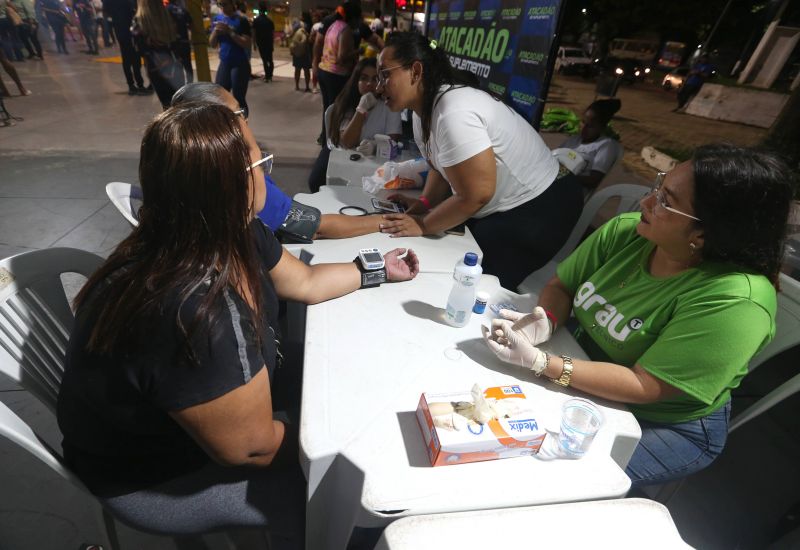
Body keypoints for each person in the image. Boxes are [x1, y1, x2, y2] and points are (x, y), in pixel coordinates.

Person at [56, 103, 420, 546]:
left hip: (195, 423)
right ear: (228, 184)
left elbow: (304, 281)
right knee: (340, 498)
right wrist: (346, 449)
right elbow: (251, 448)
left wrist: (377, 268)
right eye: (259, 160)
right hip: (151, 479)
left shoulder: (222, 228)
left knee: (342, 369)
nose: (267, 170)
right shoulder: (194, 310)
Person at [483, 144, 794, 488]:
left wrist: (543, 363)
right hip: (584, 361)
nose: (647, 202)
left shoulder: (736, 303)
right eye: (659, 187)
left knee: (553, 482)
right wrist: (548, 319)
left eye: (666, 202)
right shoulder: (629, 232)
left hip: (660, 420)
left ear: (703, 234)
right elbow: (563, 285)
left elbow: (646, 385)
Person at [376, 32, 584, 290]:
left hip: (543, 207)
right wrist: (424, 204)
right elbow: (441, 167)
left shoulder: (453, 111)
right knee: (449, 243)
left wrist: (423, 224)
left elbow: (476, 196)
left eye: (385, 74)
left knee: (471, 281)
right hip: (513, 204)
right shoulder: (423, 112)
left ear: (416, 71)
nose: (378, 86)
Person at [171, 81, 394, 241]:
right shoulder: (242, 184)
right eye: (239, 113)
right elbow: (316, 228)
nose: (246, 119)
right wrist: (387, 220)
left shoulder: (180, 179)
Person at [307, 57, 401, 192]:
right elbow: (347, 142)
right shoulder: (346, 102)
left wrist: (376, 146)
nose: (369, 83)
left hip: (373, 162)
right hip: (339, 152)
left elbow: (394, 140)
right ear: (356, 80)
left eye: (375, 79)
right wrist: (361, 110)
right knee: (317, 182)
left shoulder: (390, 105)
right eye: (363, 78)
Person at [558, 98, 622, 193]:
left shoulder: (606, 145)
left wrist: (564, 177)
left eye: (590, 126)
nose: (584, 128)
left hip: (573, 194)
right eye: (583, 122)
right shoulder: (573, 140)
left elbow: (593, 180)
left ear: (602, 127)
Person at [132, 0, 185, 109]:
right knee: (180, 103)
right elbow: (180, 40)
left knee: (167, 105)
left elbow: (138, 48)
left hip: (156, 68)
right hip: (175, 65)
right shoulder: (170, 16)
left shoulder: (139, 21)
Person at [209, 0, 251, 117]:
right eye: (220, 4)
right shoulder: (218, 19)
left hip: (239, 63)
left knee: (238, 97)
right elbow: (212, 44)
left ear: (233, 3)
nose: (222, 7)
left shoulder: (241, 20)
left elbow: (246, 43)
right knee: (220, 96)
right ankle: (226, 125)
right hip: (225, 63)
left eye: (225, 4)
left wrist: (230, 32)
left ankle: (243, 124)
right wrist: (215, 32)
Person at [104, 0, 151, 95]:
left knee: (127, 58)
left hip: (120, 30)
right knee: (135, 57)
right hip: (129, 30)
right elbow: (135, 11)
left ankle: (132, 85)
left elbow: (107, 12)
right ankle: (139, 85)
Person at [166, 0, 192, 83]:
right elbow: (190, 24)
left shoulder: (166, 10)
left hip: (174, 43)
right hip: (185, 41)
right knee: (188, 66)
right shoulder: (183, 10)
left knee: (177, 67)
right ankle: (190, 86)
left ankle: (181, 87)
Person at [251, 1, 273, 82]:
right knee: (270, 59)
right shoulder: (270, 21)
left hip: (260, 42)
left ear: (260, 11)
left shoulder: (256, 21)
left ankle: (267, 76)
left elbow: (254, 33)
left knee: (264, 60)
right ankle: (270, 75)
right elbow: (272, 34)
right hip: (269, 43)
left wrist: (254, 43)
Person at [288, 18, 310, 92]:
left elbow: (291, 37)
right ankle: (307, 87)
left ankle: (297, 86)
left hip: (297, 52)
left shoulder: (295, 26)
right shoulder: (306, 26)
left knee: (297, 69)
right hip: (305, 52)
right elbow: (308, 39)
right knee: (306, 70)